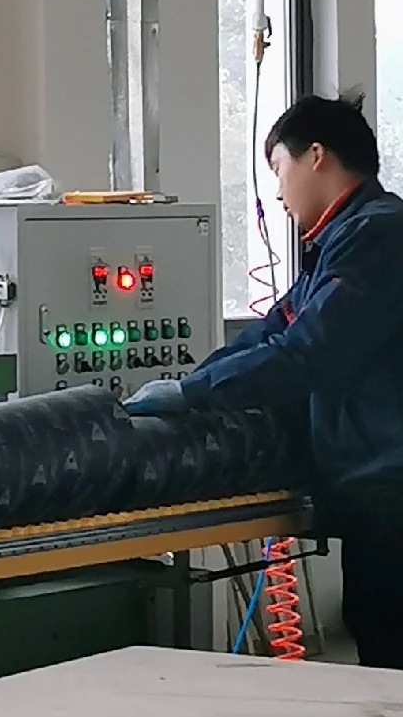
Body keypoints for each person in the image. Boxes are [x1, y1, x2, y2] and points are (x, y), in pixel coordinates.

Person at [123, 94, 403, 666]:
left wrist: (193, 394)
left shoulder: (378, 238)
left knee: (388, 645)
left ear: (316, 156)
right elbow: (275, 328)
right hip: (377, 486)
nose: (278, 193)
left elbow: (308, 352)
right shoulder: (343, 243)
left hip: (391, 484)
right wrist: (194, 382)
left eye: (279, 168)